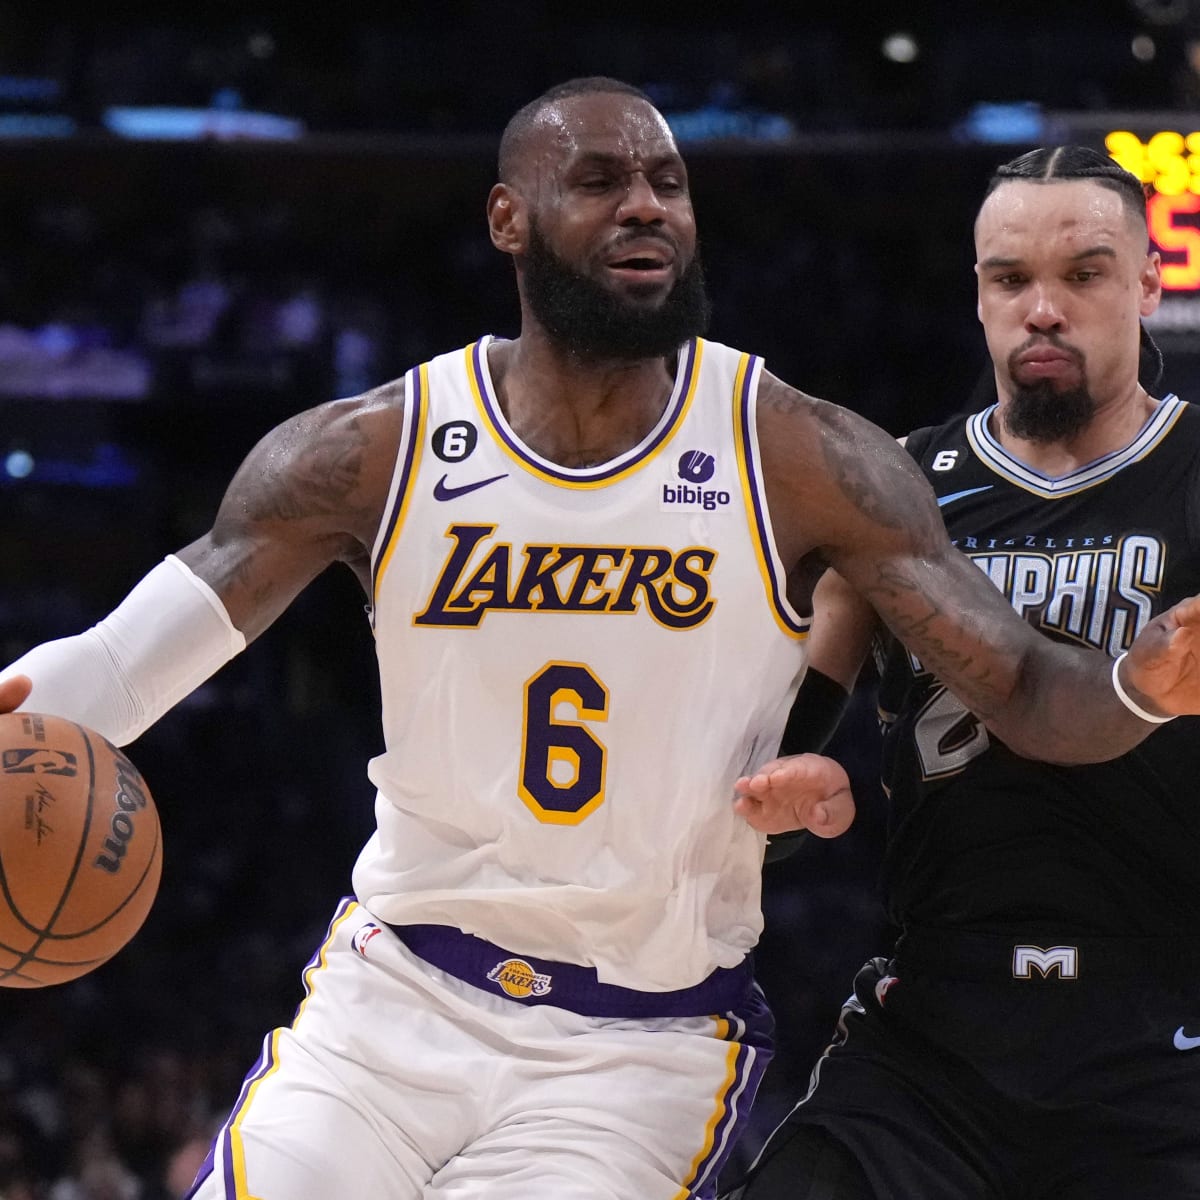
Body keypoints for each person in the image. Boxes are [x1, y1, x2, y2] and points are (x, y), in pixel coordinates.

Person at [3, 88, 1200, 1200]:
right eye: (602, 179)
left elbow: (1034, 690)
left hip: (640, 1041)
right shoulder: (373, 450)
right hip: (390, 1001)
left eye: (669, 183)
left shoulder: (800, 457)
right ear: (508, 219)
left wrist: (1137, 686)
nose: (646, 203)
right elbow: (114, 668)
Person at [724, 146, 1200, 1200]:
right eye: (1010, 279)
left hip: (1165, 1043)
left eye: (1084, 274)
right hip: (934, 1041)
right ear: (977, 295)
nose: (1043, 309)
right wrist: (792, 799)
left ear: (1147, 285)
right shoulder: (896, 489)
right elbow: (767, 784)